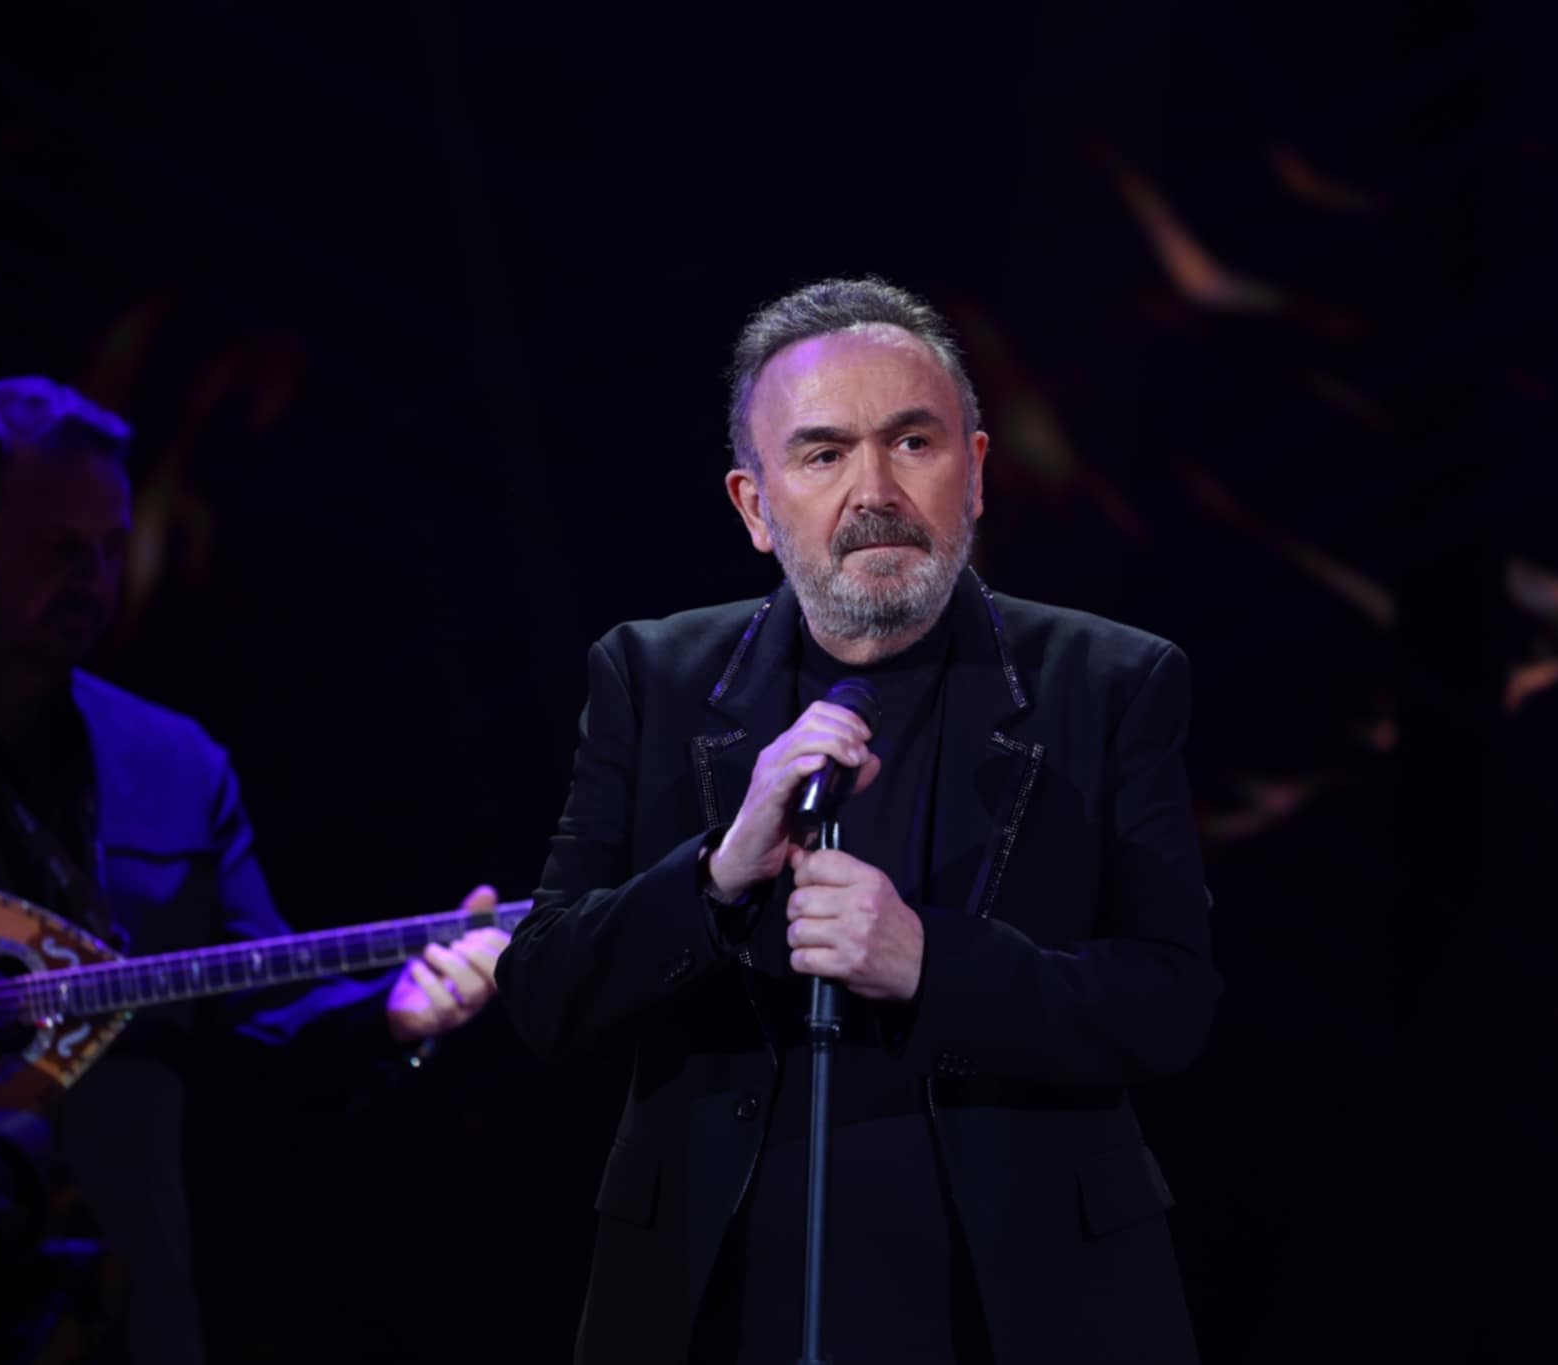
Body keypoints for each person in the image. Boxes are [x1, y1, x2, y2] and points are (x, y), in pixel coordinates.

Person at [497, 278, 1221, 1363]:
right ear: (754, 506)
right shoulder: (651, 678)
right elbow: (545, 992)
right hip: (718, 1297)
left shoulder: (1109, 681)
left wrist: (932, 963)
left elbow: (1169, 1005)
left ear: (976, 471)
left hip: (1017, 1306)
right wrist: (715, 878)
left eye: (913, 442)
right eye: (823, 453)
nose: (874, 491)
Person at [0, 377, 509, 1364]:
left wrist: (394, 1016)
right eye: (59, 548)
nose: (95, 577)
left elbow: (261, 1010)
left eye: (110, 548)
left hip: (117, 1297)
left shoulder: (177, 766)